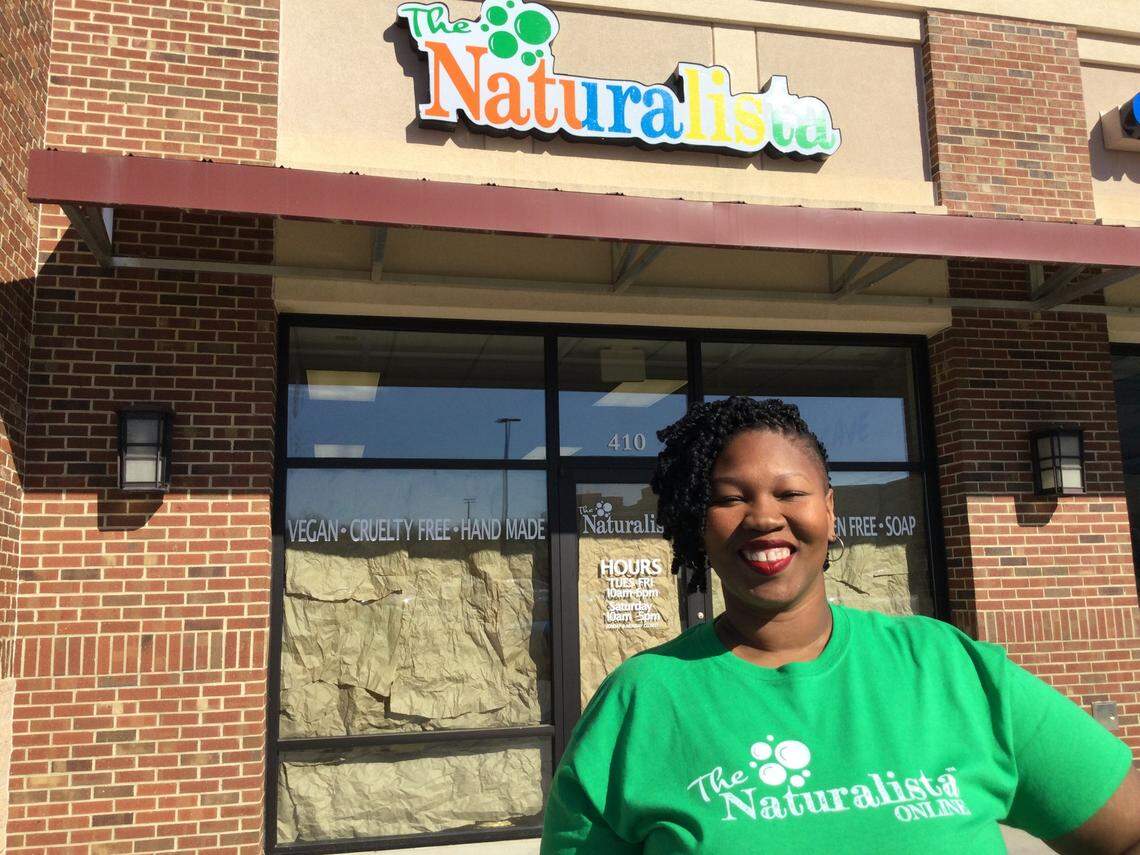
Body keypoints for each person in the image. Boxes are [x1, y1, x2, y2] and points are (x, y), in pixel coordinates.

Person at [540, 396, 1140, 854]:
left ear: (829, 510)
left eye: (789, 492)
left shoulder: (949, 668)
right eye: (730, 498)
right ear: (698, 524)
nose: (764, 517)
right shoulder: (642, 701)